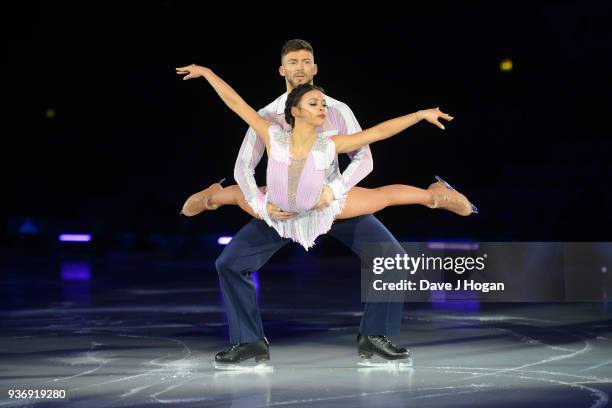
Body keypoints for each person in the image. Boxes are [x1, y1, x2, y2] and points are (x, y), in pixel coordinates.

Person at [176, 39, 476, 368]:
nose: (301, 68)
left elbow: (371, 147)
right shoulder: (268, 123)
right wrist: (262, 207)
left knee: (390, 253)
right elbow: (241, 157)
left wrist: (333, 191)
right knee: (230, 256)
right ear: (283, 72)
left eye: (307, 61)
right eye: (293, 61)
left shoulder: (332, 125)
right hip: (280, 211)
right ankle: (249, 342)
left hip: (325, 203)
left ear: (315, 68)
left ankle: (374, 335)